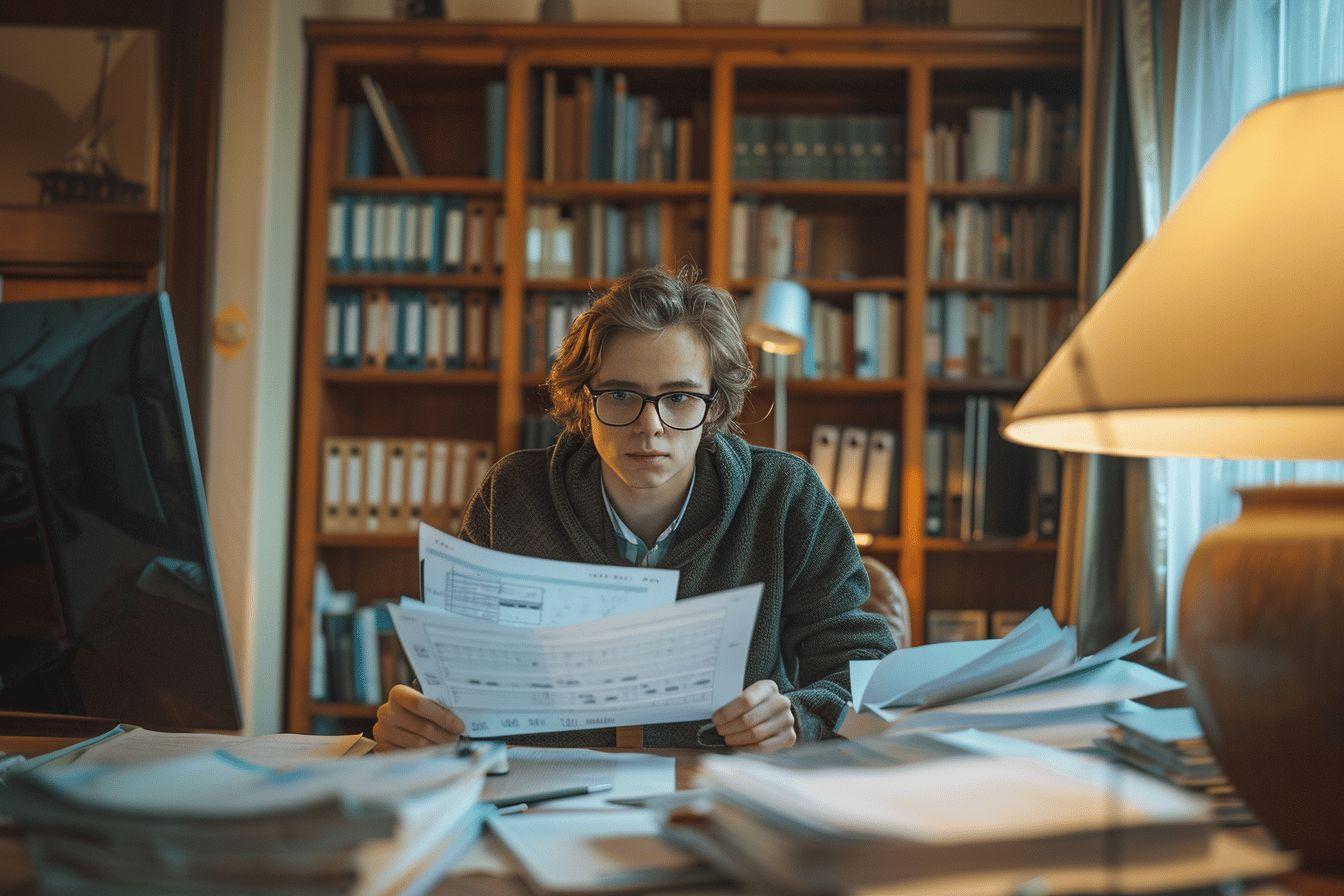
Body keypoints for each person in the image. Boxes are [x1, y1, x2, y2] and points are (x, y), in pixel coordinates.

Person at [374, 266, 896, 753]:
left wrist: (797, 718)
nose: (651, 427)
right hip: (546, 796)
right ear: (585, 401)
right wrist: (420, 722)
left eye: (680, 397)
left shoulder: (783, 495)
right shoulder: (513, 494)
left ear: (714, 405)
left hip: (719, 789)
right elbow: (450, 675)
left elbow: (865, 667)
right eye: (621, 395)